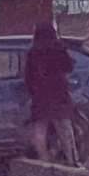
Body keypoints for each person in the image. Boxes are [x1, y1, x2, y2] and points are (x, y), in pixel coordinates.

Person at [24, 22, 79, 166]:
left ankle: (44, 160)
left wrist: (33, 91)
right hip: (58, 92)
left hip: (40, 95)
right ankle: (71, 160)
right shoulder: (58, 48)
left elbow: (28, 76)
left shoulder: (33, 52)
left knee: (40, 128)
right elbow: (68, 67)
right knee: (64, 128)